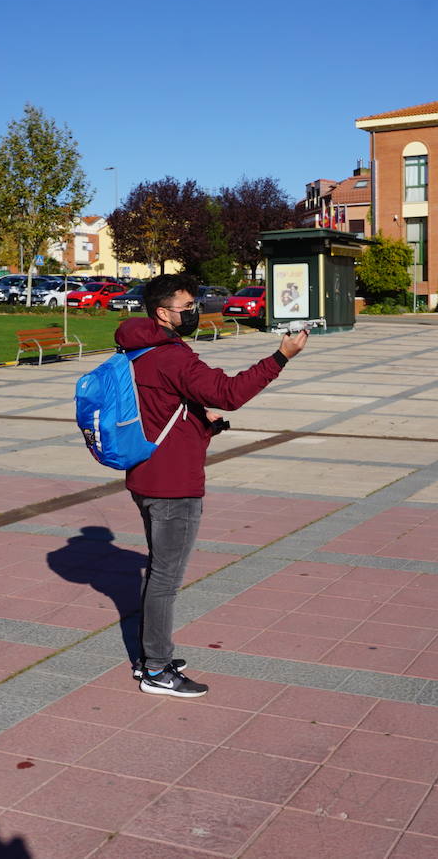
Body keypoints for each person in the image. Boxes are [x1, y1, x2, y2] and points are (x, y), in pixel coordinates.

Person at [118, 274, 306, 697]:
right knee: (165, 577)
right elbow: (229, 392)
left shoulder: (137, 347)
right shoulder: (171, 356)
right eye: (186, 307)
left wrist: (202, 425)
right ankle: (157, 670)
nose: (194, 313)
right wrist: (281, 357)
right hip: (173, 484)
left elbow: (162, 405)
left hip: (146, 472)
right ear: (163, 313)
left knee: (157, 572)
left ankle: (152, 655)